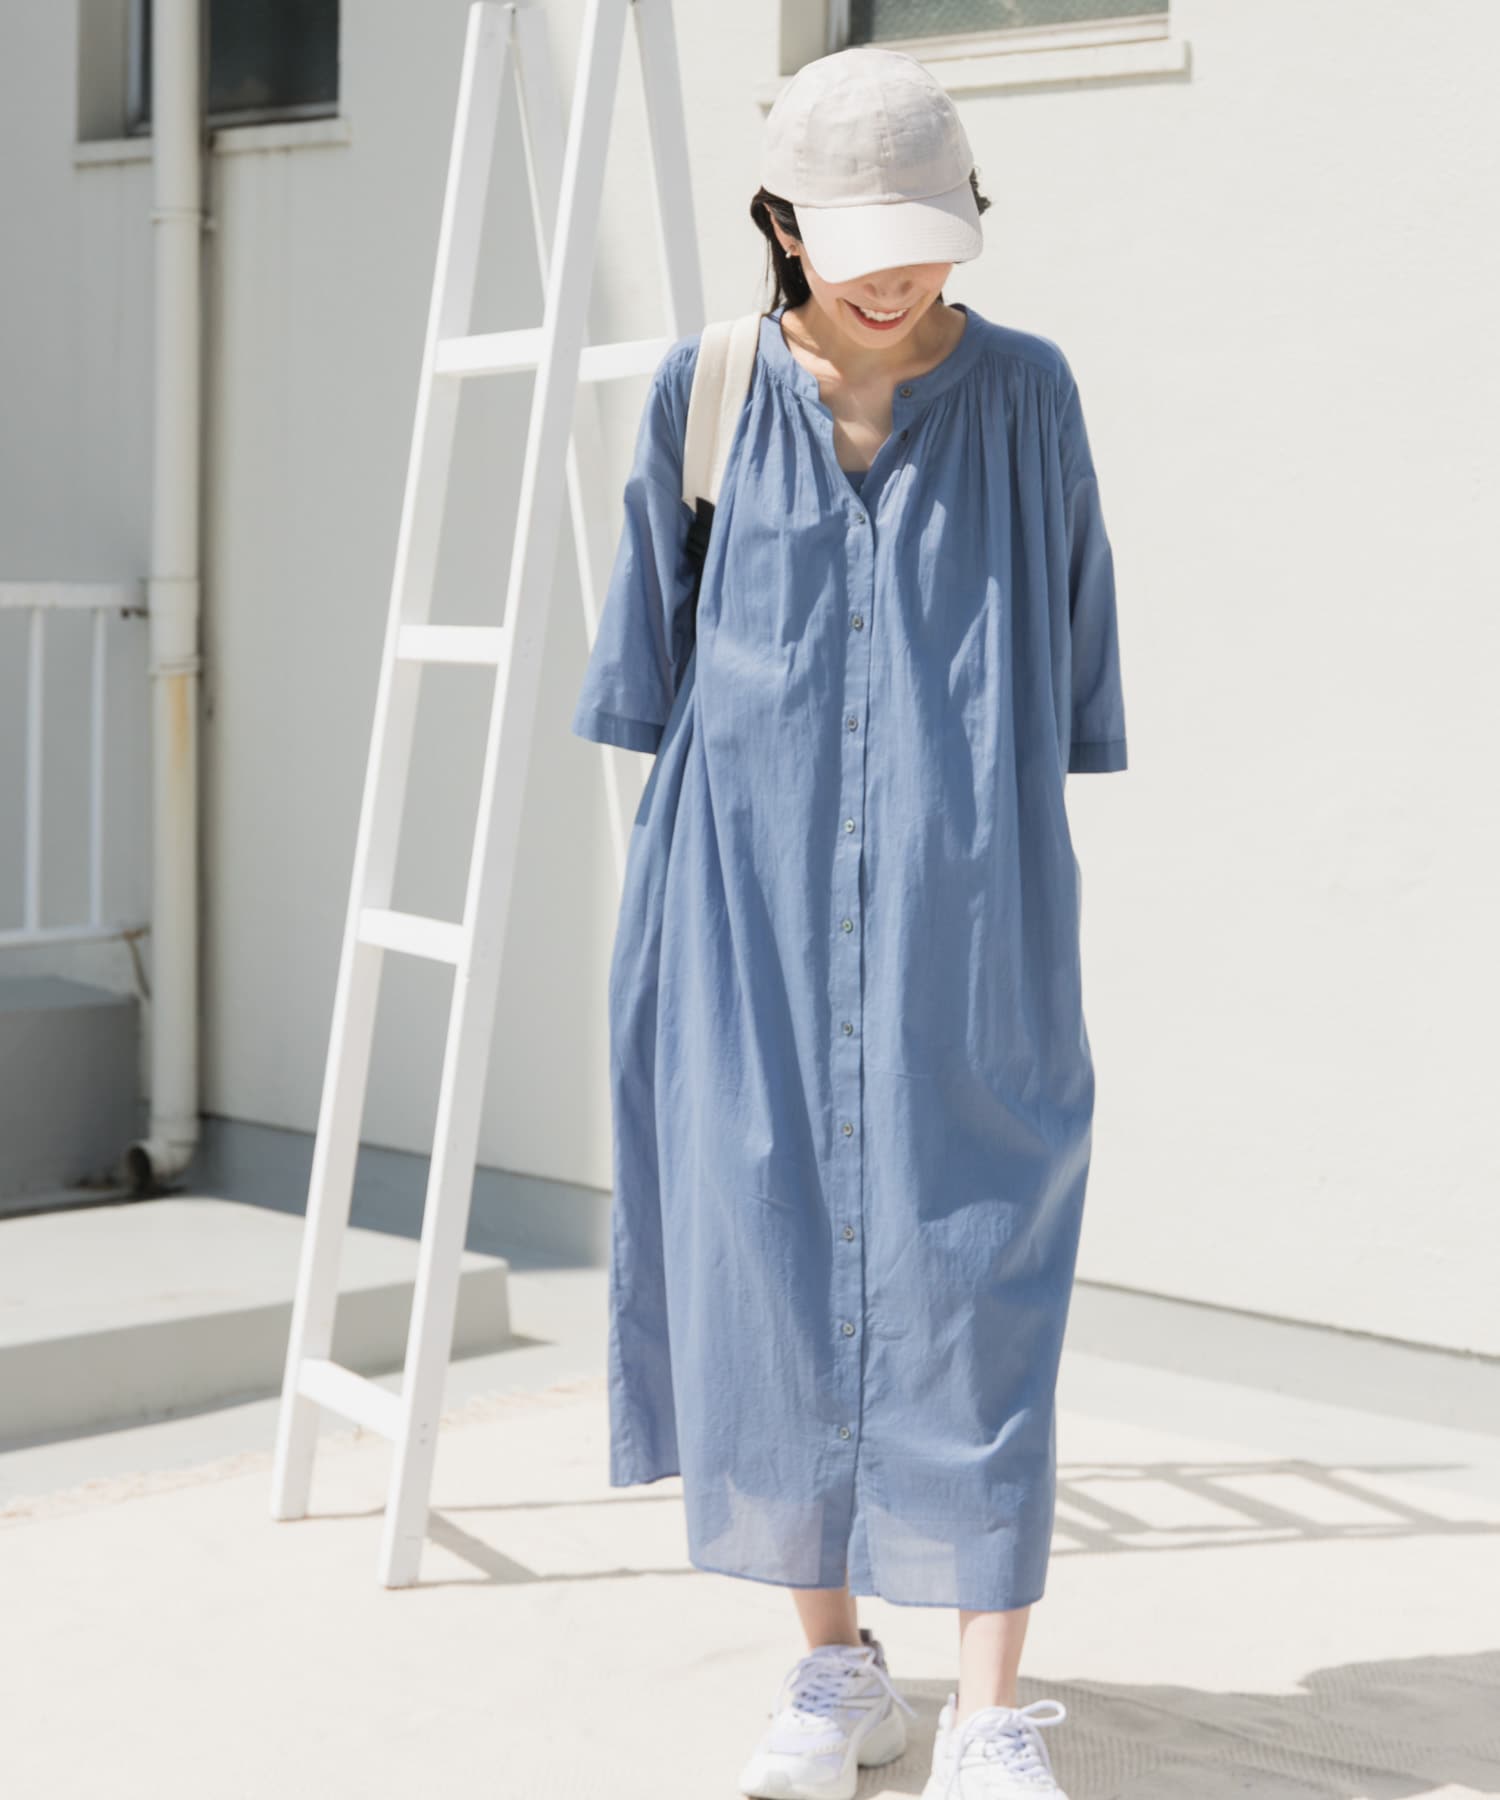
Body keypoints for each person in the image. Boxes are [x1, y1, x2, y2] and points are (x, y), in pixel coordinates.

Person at [570, 43, 1128, 1800]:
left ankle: (987, 1711)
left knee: (981, 1268)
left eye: (927, 239)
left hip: (972, 905)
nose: (897, 278)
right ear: (785, 226)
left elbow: (1071, 656)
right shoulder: (708, 391)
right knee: (766, 1254)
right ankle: (836, 1668)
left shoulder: (1029, 394)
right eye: (860, 243)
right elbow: (652, 664)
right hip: (739, 900)